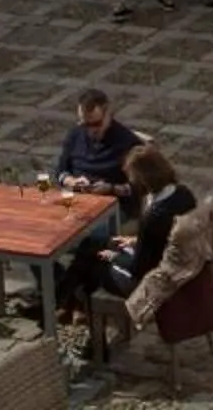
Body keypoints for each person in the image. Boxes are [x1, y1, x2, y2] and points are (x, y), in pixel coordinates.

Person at [62, 142, 196, 351]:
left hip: (151, 282)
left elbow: (137, 268)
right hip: (173, 263)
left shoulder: (154, 216)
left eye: (133, 176)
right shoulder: (183, 194)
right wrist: (136, 241)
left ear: (144, 177)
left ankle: (91, 336)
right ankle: (68, 300)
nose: (131, 181)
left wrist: (113, 257)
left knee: (94, 268)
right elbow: (166, 238)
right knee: (94, 245)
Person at [54, 86, 141, 200]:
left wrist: (111, 189)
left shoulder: (127, 142)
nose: (90, 130)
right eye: (85, 124)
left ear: (108, 115)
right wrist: (71, 181)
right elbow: (61, 170)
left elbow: (140, 187)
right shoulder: (75, 134)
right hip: (78, 197)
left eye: (96, 124)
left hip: (110, 203)